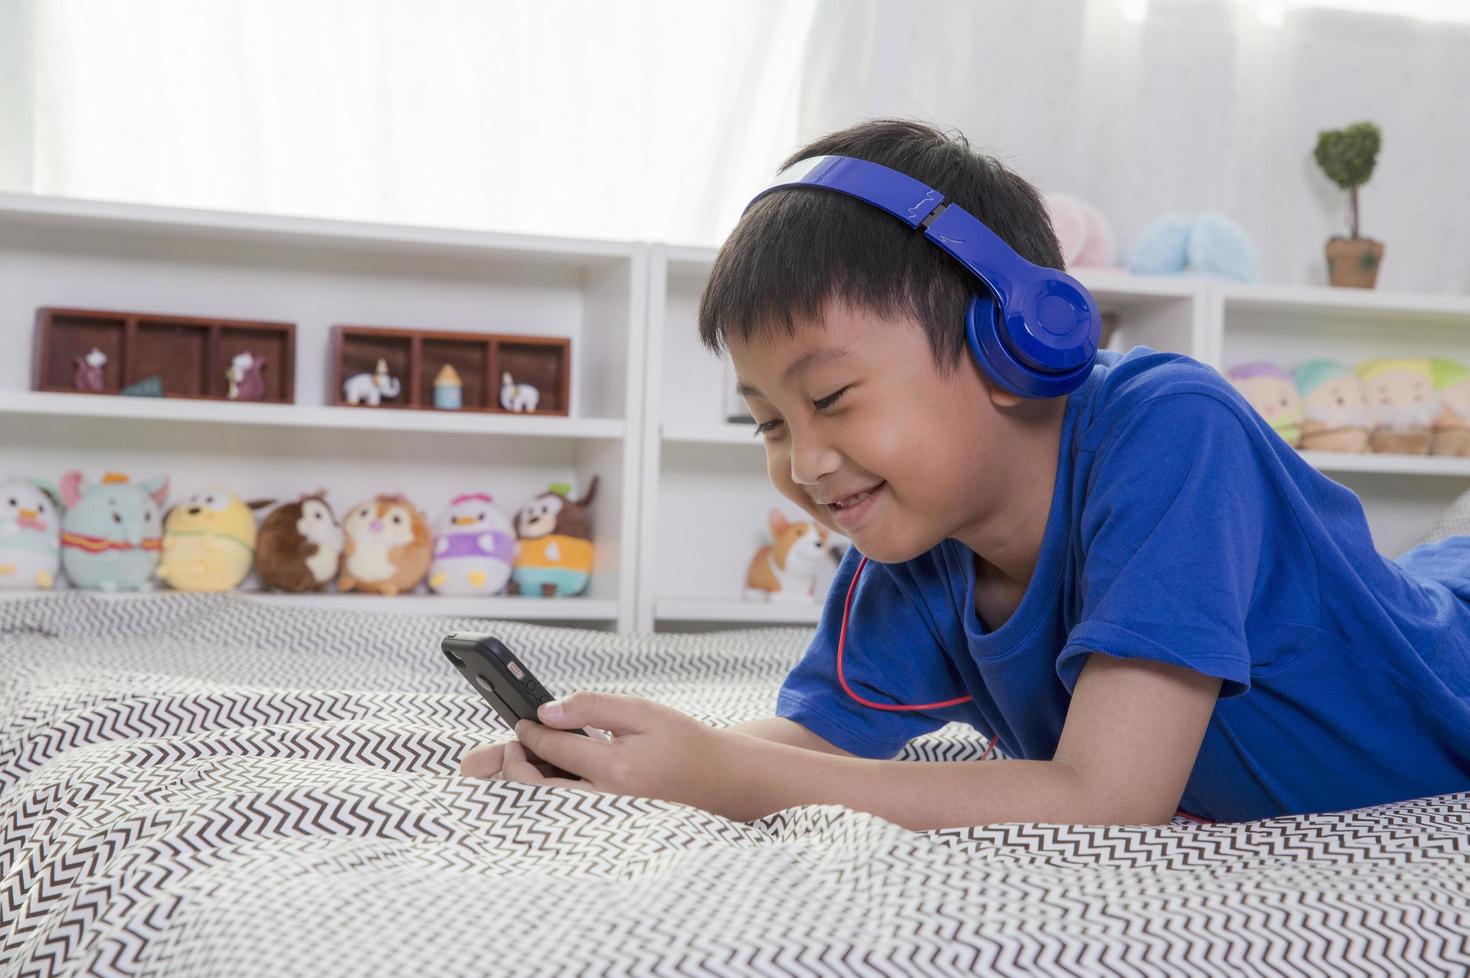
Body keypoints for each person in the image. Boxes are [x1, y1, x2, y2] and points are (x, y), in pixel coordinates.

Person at [460, 119, 1470, 829]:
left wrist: (721, 774)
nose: (804, 463)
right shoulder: (910, 536)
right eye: (766, 421)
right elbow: (809, 744)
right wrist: (633, 761)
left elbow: (1109, 796)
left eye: (833, 399)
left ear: (1018, 342)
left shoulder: (1173, 429)